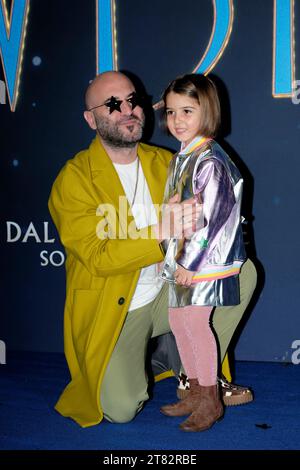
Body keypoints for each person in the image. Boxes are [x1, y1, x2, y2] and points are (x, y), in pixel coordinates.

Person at [48, 71, 256, 428]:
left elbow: (211, 221)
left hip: (166, 290)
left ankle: (199, 382)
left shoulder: (167, 162)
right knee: (120, 407)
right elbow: (98, 258)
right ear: (90, 118)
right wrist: (162, 232)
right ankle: (167, 365)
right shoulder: (74, 179)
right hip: (118, 308)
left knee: (242, 273)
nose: (128, 110)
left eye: (133, 100)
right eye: (112, 105)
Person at [159, 73, 252, 432]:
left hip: (204, 260)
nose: (177, 120)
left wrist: (188, 263)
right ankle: (195, 391)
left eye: (187, 111)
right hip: (183, 258)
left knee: (196, 323)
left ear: (207, 111)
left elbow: (211, 220)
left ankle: (210, 399)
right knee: (178, 322)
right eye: (170, 112)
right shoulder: (184, 157)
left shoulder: (210, 160)